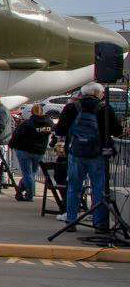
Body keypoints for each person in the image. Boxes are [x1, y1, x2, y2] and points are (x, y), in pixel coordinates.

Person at [56, 82, 123, 233]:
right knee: (98, 188)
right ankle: (99, 223)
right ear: (99, 94)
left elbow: (60, 129)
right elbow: (117, 130)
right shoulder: (104, 108)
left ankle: (71, 221)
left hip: (76, 153)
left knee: (74, 187)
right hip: (97, 154)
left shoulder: (72, 107)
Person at [8, 106, 53, 202]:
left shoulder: (27, 123)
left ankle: (29, 194)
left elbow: (17, 135)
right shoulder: (49, 123)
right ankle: (23, 189)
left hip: (25, 150)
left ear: (31, 112)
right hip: (40, 151)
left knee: (27, 173)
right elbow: (54, 133)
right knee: (33, 172)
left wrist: (12, 144)